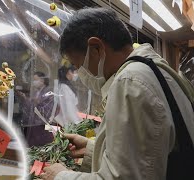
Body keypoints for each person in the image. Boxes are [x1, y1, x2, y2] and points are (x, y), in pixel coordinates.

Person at [41, 8, 194, 180]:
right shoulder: (156, 71)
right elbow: (148, 154)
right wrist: (93, 150)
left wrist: (60, 176)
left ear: (96, 48)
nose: (80, 74)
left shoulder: (130, 82)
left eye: (78, 65)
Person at [17, 72, 54, 147]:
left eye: (35, 80)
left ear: (42, 80)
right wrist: (25, 99)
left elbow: (43, 109)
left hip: (41, 125)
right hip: (33, 125)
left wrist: (29, 100)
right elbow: (31, 107)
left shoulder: (48, 92)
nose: (34, 82)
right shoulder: (36, 92)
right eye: (33, 80)